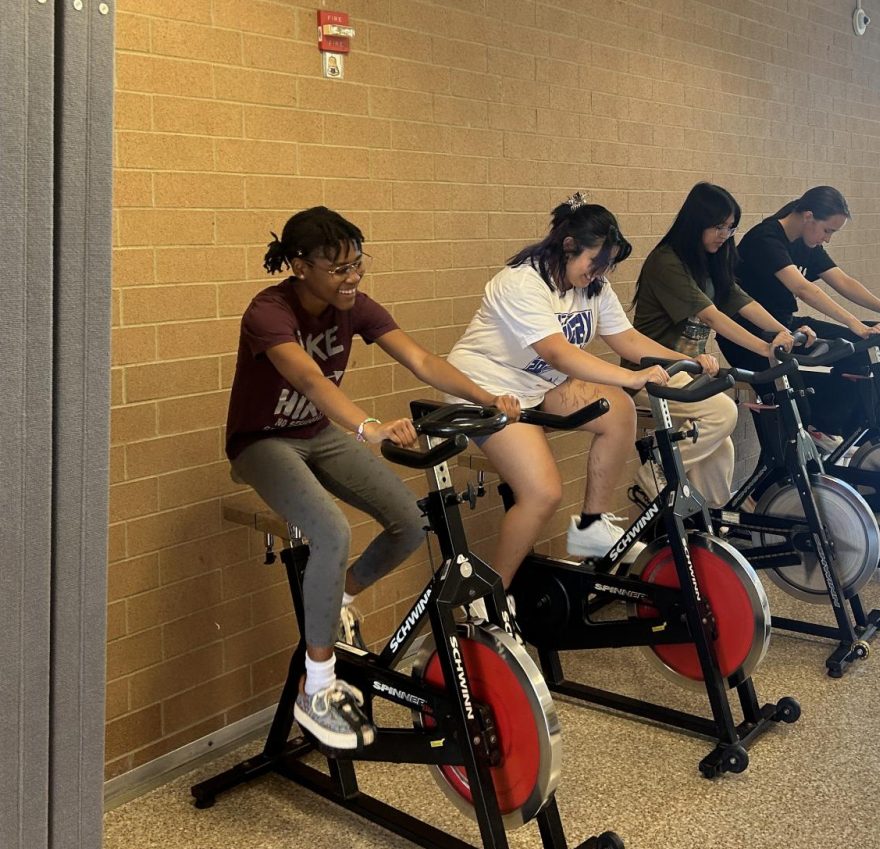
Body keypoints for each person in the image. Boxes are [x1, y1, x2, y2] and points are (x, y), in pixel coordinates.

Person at [225, 206, 520, 751]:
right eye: (338, 269)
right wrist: (368, 427)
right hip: (263, 442)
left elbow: (421, 359)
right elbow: (310, 379)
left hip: (318, 435)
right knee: (332, 531)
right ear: (298, 265)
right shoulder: (268, 311)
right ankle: (316, 687)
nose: (352, 278)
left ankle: (337, 599)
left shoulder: (353, 306)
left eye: (358, 264)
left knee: (409, 523)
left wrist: (488, 398)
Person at [446, 193, 719, 587]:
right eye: (595, 262)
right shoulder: (522, 282)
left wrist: (683, 361)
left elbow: (626, 339)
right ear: (569, 245)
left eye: (605, 267)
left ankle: (591, 530)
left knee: (619, 409)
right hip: (485, 389)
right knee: (542, 494)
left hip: (535, 385)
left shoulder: (592, 287)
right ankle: (489, 596)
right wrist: (628, 376)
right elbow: (557, 353)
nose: (598, 273)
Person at [625, 182, 813, 506]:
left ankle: (710, 526)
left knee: (721, 445)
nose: (724, 234)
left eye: (730, 227)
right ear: (695, 222)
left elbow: (742, 302)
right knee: (723, 413)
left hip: (686, 374)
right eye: (717, 226)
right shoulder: (667, 262)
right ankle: (654, 475)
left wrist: (784, 333)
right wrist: (763, 348)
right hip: (652, 372)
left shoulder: (710, 263)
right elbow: (711, 317)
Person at [717, 186, 880, 445]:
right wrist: (855, 323)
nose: (828, 238)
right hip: (749, 334)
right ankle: (817, 425)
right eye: (828, 230)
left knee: (860, 347)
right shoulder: (766, 239)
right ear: (808, 216)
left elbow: (842, 280)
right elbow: (803, 289)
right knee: (849, 340)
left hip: (786, 326)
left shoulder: (805, 242)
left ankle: (851, 434)